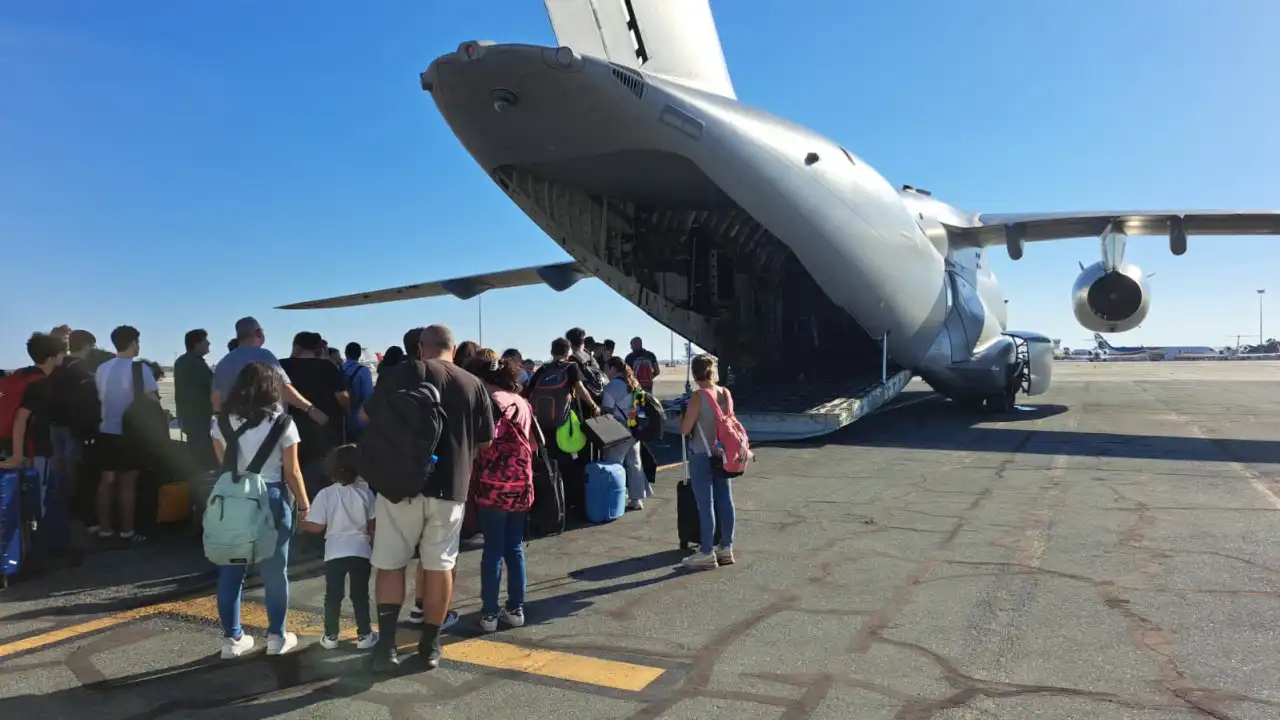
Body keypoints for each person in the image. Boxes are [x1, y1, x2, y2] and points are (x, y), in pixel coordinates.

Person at [365, 325, 494, 672]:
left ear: (422, 348)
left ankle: (386, 648)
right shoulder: (472, 383)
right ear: (452, 349)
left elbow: (367, 415)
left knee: (391, 564)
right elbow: (485, 441)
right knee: (440, 566)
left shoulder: (401, 373)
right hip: (450, 488)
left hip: (399, 485)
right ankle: (429, 645)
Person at [211, 361, 310, 659]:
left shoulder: (220, 422)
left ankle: (232, 639)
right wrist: (304, 505)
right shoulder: (283, 424)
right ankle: (277, 636)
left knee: (231, 573)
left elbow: (223, 464)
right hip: (273, 496)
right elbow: (292, 471)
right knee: (275, 572)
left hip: (234, 499)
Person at [464, 355, 534, 633]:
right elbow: (532, 441)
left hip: (493, 486)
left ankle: (490, 614)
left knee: (492, 549)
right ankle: (516, 608)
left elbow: (482, 445)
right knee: (514, 547)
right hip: (521, 482)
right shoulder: (522, 402)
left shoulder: (485, 403)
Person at [301, 444, 377, 651]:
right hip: (361, 551)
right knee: (360, 596)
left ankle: (331, 636)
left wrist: (303, 523)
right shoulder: (366, 492)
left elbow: (317, 527)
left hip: (334, 551)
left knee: (333, 596)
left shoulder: (325, 494)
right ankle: (365, 635)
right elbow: (372, 526)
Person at [91, 325, 158, 543]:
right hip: (129, 433)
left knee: (106, 480)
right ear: (133, 342)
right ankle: (127, 530)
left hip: (106, 430)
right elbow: (152, 400)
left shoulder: (102, 369)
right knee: (128, 481)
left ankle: (105, 528)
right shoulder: (140, 370)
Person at [212, 317, 328, 429]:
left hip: (234, 428)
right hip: (267, 428)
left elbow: (216, 399)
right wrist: (310, 409)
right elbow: (283, 388)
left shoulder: (223, 363)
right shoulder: (264, 356)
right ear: (258, 333)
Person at [678, 354, 737, 570]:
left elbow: (685, 429)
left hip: (702, 454)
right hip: (722, 453)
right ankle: (726, 547)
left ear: (695, 374)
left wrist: (681, 418)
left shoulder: (699, 397)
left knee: (706, 504)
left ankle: (706, 552)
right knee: (726, 500)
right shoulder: (725, 393)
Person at [280, 332, 348, 498]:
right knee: (322, 484)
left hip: (290, 431)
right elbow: (343, 398)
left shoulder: (282, 366)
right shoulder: (327, 367)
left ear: (296, 346)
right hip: (323, 433)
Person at [48, 330, 98, 491]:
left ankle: (55, 494)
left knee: (57, 460)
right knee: (72, 463)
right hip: (73, 422)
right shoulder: (82, 366)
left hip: (54, 420)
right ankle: (71, 498)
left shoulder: (57, 363)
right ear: (85, 345)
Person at [601, 357, 652, 511]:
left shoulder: (612, 386)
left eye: (606, 368)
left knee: (614, 462)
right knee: (634, 463)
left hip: (620, 428)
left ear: (612, 368)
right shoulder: (634, 382)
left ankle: (616, 497)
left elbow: (607, 409)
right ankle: (637, 499)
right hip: (635, 427)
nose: (605, 371)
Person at [175, 329, 215, 470]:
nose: (208, 343)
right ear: (196, 344)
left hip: (188, 416)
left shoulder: (181, 361)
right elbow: (213, 384)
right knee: (203, 455)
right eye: (205, 340)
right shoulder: (196, 364)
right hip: (198, 417)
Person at [340, 342, 373, 443]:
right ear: (359, 354)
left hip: (341, 418)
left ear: (345, 353)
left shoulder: (338, 369)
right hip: (359, 417)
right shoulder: (364, 371)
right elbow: (368, 395)